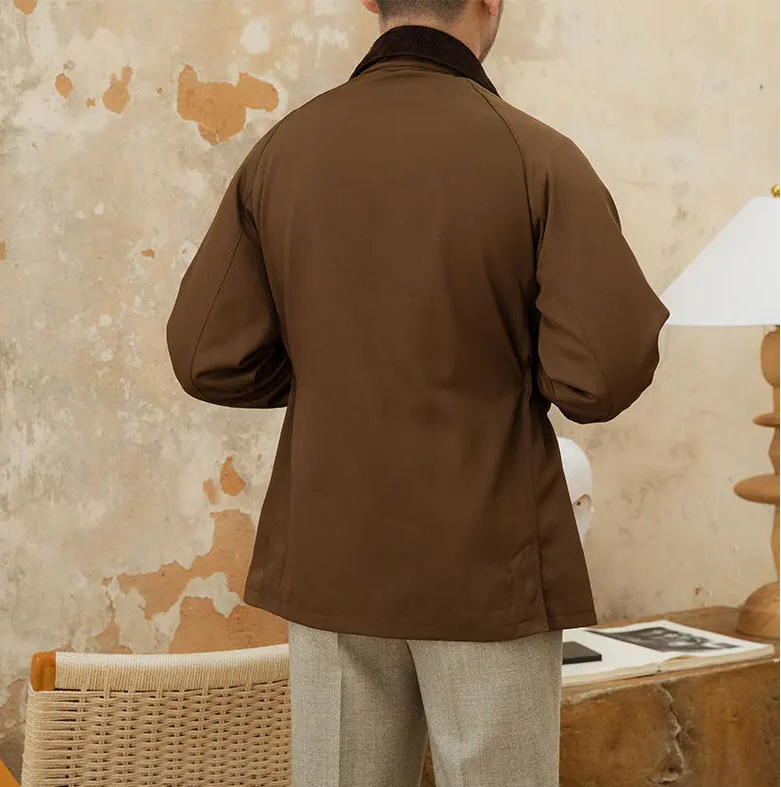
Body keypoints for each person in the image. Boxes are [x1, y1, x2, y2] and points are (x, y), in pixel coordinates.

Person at [166, 1, 669, 784]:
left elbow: (205, 355)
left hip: (332, 554)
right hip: (489, 563)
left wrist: (335, 371)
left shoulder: (284, 150)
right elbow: (601, 373)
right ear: (489, 1)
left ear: (370, 1)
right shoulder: (535, 155)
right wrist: (512, 367)